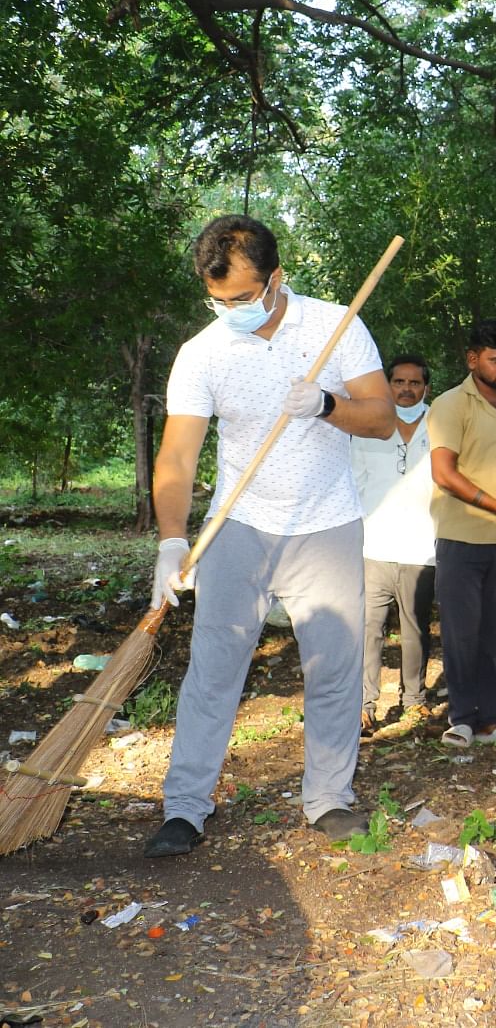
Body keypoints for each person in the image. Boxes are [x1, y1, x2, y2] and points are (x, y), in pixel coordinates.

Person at [145, 214, 395, 856]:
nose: (230, 311)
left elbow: (383, 421)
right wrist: (173, 540)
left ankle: (329, 800)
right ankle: (185, 806)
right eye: (217, 300)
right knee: (213, 669)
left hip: (327, 522)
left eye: (243, 298)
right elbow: (176, 458)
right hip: (239, 525)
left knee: (334, 669)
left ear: (277, 278)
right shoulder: (203, 353)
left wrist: (326, 406)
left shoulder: (336, 326)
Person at [428, 320, 496, 748]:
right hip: (461, 537)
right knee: (461, 630)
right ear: (473, 359)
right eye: (495, 360)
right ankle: (462, 718)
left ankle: (493, 719)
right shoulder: (450, 405)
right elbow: (443, 473)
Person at [350, 353, 436, 732]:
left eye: (414, 382)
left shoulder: (441, 423)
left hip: (423, 545)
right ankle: (364, 706)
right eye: (399, 382)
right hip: (374, 544)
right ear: (388, 386)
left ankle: (415, 701)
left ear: (425, 387)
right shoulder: (369, 423)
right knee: (369, 628)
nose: (406, 389)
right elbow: (353, 482)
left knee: (415, 628)